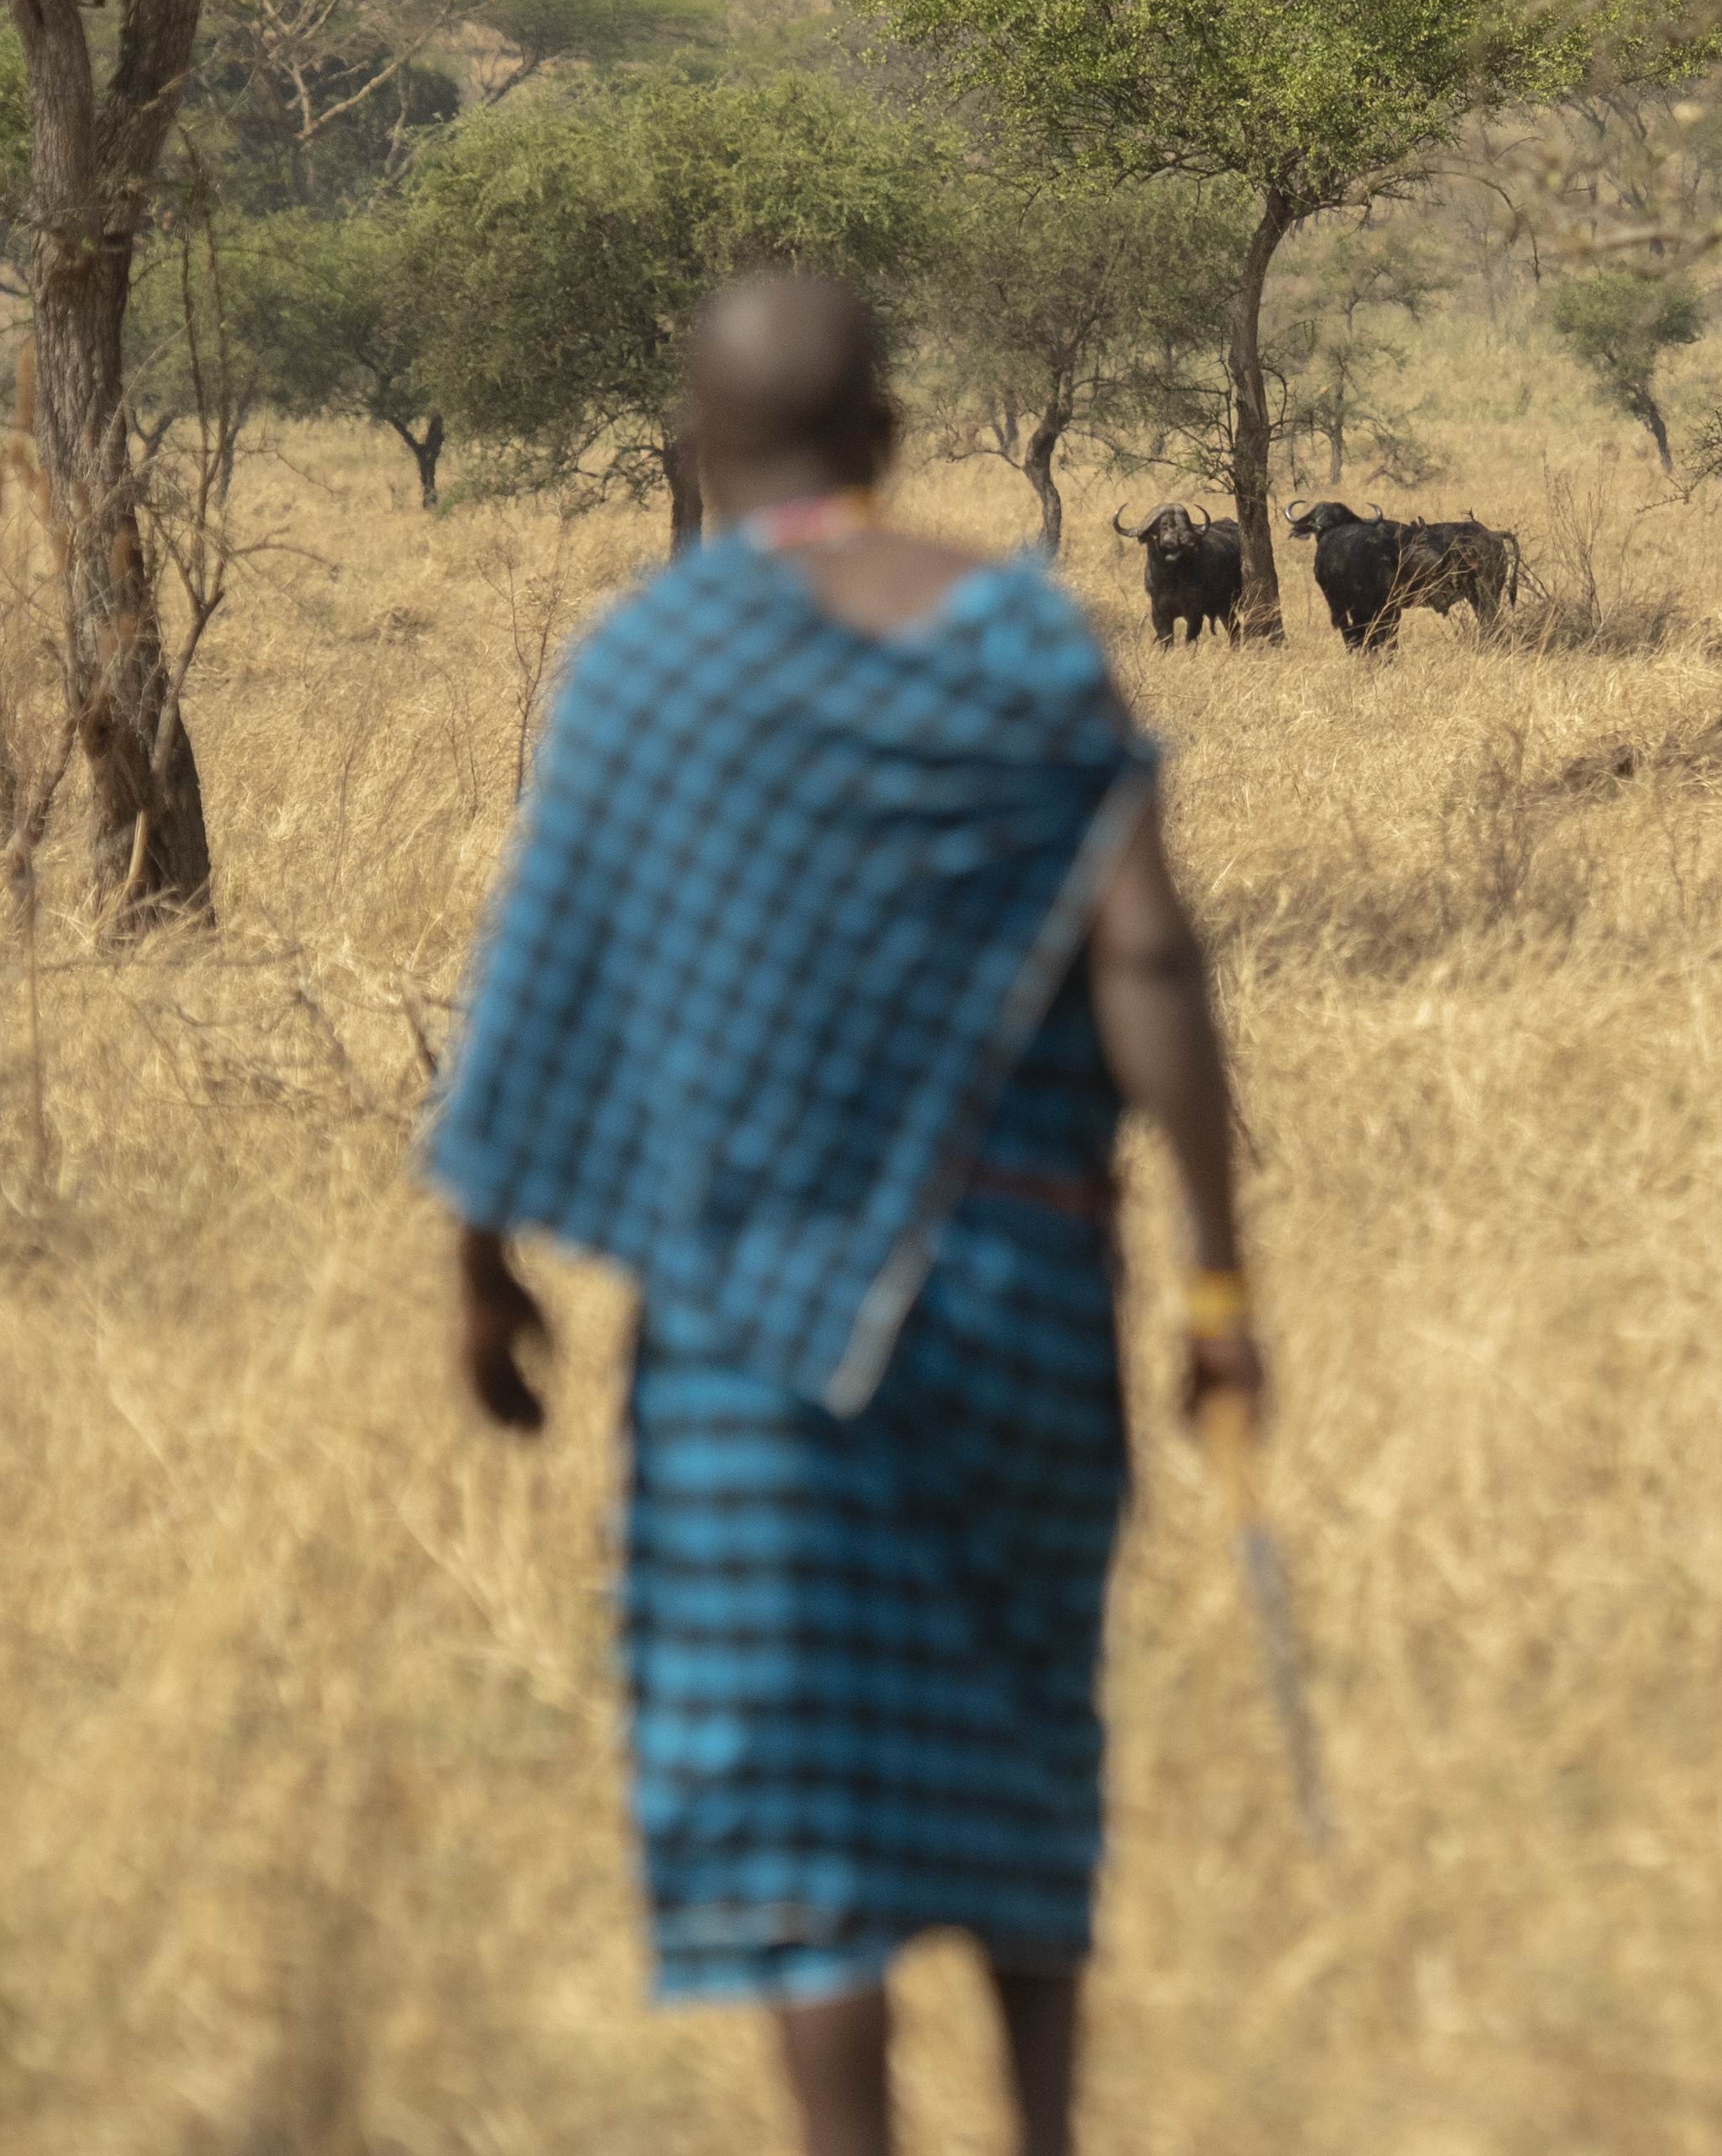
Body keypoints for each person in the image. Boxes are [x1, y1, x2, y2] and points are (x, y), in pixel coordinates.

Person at [426, 273, 1258, 2156]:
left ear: (704, 455)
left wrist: (485, 1284)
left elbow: (534, 987)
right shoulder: (1026, 641)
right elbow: (1152, 959)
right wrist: (1219, 1289)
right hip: (1026, 1297)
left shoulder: (651, 658)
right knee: (1024, 1743)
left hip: (745, 1329)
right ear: (888, 434)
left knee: (799, 1796)